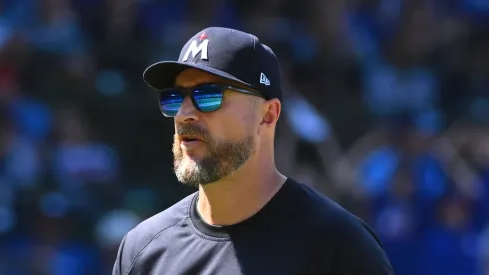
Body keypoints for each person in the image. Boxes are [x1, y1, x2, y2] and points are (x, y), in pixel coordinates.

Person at [112, 27, 394, 275]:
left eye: (208, 95)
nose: (184, 113)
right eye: (173, 98)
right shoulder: (143, 250)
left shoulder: (339, 248)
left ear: (268, 115)